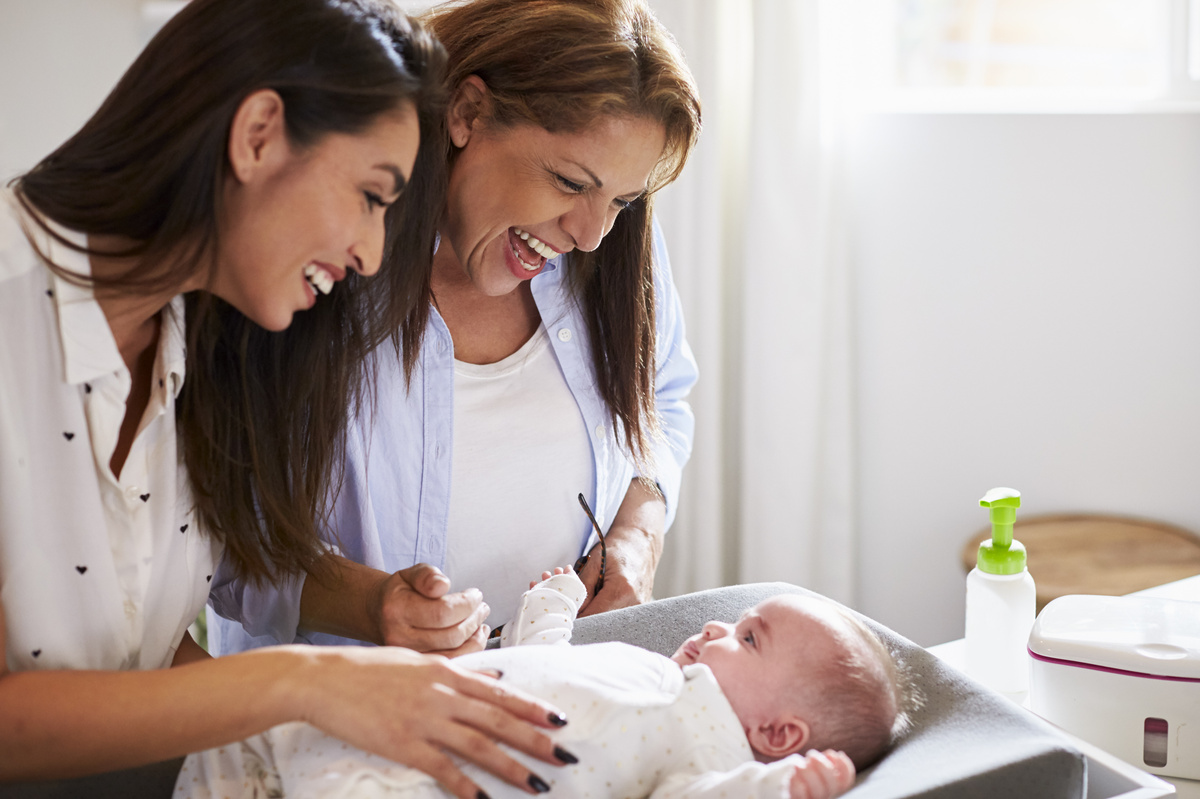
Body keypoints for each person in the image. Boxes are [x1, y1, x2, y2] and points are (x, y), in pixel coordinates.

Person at [0, 2, 576, 797]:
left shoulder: (204, 345)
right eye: (373, 196)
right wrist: (304, 680)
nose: (373, 254)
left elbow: (127, 656)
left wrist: (318, 738)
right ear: (259, 134)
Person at [209, 0, 703, 659]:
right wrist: (370, 603)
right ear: (466, 114)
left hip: (556, 692)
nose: (589, 235)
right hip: (344, 723)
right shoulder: (317, 263)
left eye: (622, 199)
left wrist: (637, 536)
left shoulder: (610, 247)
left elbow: (663, 400)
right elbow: (223, 540)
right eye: (567, 180)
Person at [180, 571, 908, 798]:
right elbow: (549, 666)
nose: (718, 628)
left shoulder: (712, 751)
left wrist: (779, 789)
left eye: (749, 638)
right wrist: (551, 610)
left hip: (414, 775)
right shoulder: (656, 668)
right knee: (245, 744)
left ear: (779, 733)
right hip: (368, 712)